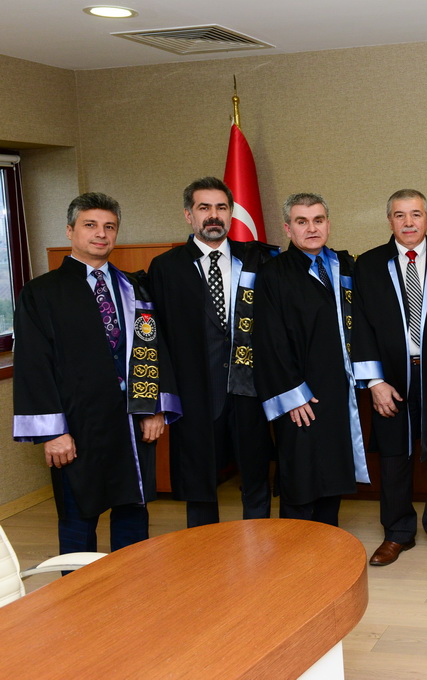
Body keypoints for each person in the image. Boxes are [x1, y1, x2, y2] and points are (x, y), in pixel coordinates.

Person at [12, 192, 180, 553]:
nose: (101, 233)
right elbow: (33, 366)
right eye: (90, 225)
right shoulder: (42, 293)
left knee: (132, 514)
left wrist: (155, 407)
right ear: (70, 231)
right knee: (78, 522)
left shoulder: (134, 287)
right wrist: (53, 432)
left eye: (109, 226)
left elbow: (155, 348)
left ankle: (132, 583)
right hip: (77, 425)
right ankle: (80, 589)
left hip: (131, 421)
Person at [149, 176, 277, 527]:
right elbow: (157, 339)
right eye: (204, 207)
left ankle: (259, 543)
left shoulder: (257, 261)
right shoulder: (167, 267)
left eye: (221, 207)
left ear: (231, 213)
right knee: (199, 483)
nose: (213, 215)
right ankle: (203, 549)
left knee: (256, 476)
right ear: (188, 215)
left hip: (249, 390)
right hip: (194, 393)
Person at [352, 189, 427, 565]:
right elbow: (360, 327)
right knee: (394, 454)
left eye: (416, 214)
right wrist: (374, 383)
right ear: (390, 221)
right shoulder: (369, 265)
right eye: (400, 215)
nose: (408, 222)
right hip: (391, 376)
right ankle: (397, 532)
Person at [253, 193, 369, 526]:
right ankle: (295, 549)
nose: (312, 228)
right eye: (302, 222)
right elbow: (269, 339)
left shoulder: (345, 267)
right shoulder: (273, 273)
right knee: (300, 478)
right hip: (299, 394)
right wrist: (292, 394)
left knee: (333, 475)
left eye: (318, 220)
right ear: (288, 229)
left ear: (328, 224)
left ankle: (329, 544)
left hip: (338, 390)